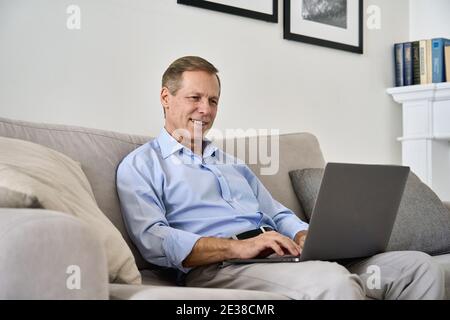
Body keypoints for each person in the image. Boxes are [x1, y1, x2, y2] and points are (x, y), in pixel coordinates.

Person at [116, 56, 445, 300]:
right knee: (332, 281)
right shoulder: (142, 165)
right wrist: (239, 247)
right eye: (195, 98)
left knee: (419, 268)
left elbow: (277, 215)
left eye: (213, 100)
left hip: (282, 255)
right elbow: (154, 240)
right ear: (165, 98)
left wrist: (305, 235)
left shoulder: (233, 165)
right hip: (222, 269)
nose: (206, 110)